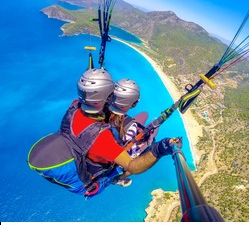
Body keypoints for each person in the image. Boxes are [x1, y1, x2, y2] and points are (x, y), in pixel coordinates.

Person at [28, 68, 181, 198]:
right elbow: (134, 166)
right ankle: (116, 178)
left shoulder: (75, 106)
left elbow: (94, 111)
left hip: (79, 149)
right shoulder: (102, 139)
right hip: (91, 183)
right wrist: (158, 150)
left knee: (136, 128)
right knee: (128, 166)